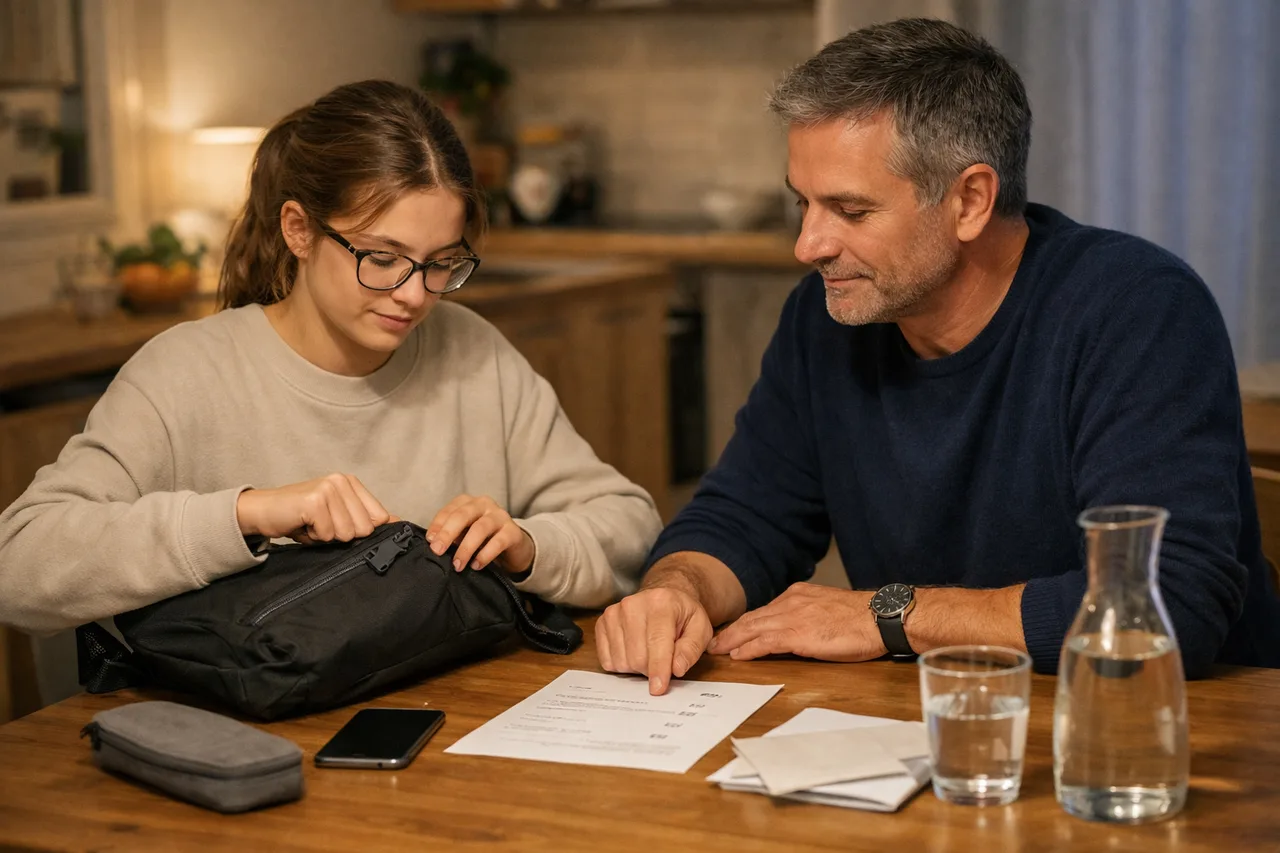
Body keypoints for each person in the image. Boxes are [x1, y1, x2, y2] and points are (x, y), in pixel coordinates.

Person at [596, 17, 1280, 695]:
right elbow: (745, 517)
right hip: (938, 727)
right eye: (801, 203)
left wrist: (886, 614)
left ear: (971, 200)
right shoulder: (825, 317)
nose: (808, 245)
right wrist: (676, 589)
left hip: (1159, 736)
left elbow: (1164, 607)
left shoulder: (1137, 309)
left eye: (850, 210)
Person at [0, 79, 661, 634]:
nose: (413, 295)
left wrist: (527, 545)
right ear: (299, 230)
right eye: (382, 258)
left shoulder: (471, 351)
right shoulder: (184, 374)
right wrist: (246, 514)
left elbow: (629, 525)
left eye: (441, 264)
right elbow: (20, 562)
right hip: (242, 745)